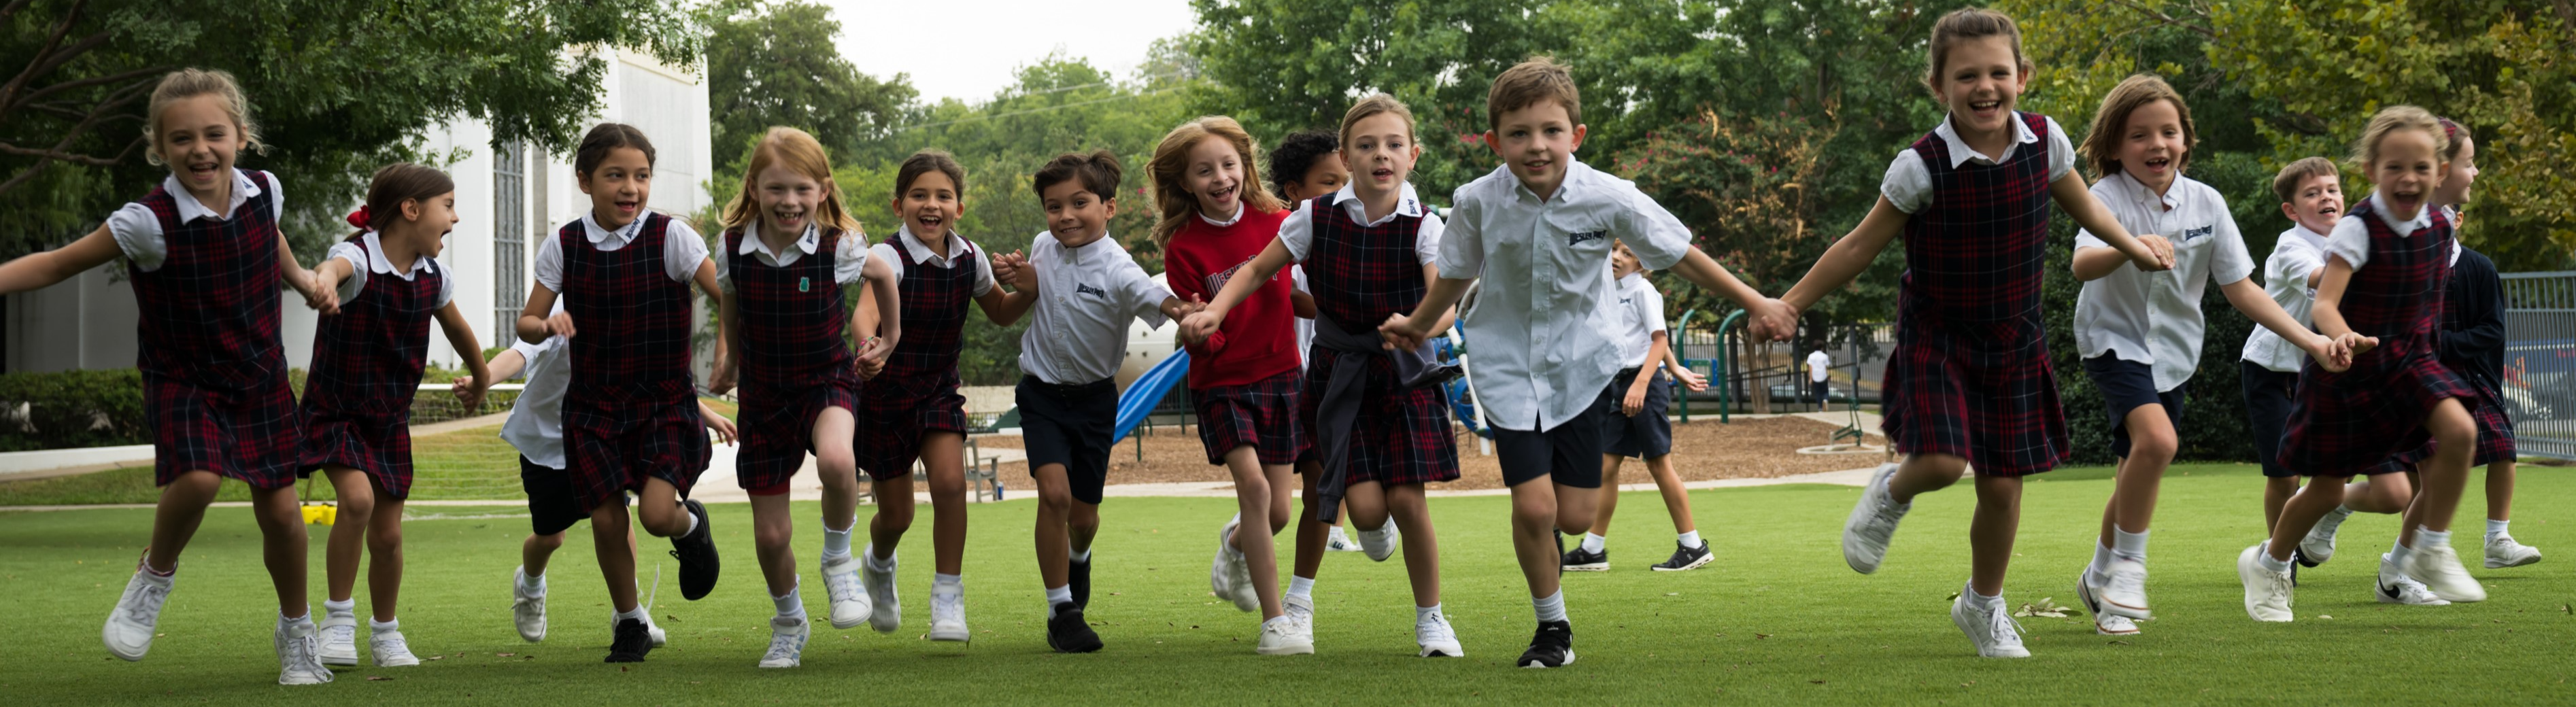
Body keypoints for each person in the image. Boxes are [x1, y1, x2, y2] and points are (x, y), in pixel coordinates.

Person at [1748, 9, 2175, 657]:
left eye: (1998, 72)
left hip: (2014, 339)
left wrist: (2131, 244)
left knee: (2003, 487)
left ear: (2023, 76)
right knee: (1945, 462)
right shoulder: (1919, 167)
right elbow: (1861, 245)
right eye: (1967, 75)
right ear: (1938, 86)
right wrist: (1790, 302)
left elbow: (2087, 204)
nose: (1985, 87)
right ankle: (1891, 492)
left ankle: (1983, 606)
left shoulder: (2045, 140)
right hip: (1938, 336)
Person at [1380, 57, 1784, 668]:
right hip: (1508, 367)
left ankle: (1557, 575)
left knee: (1574, 513)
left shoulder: (1608, 196)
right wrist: (1416, 324)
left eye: (1550, 131)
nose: (1536, 146)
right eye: (1518, 134)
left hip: (1583, 369)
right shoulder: (1478, 200)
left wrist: (1757, 301)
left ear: (1577, 136)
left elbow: (1680, 253)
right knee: (1534, 507)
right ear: (1495, 142)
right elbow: (1456, 276)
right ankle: (1553, 631)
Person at [0, 68, 343, 684]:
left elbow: (275, 241)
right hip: (183, 376)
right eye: (181, 139)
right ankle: (154, 576)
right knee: (201, 478)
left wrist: (304, 283)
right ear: (160, 147)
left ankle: (297, 632)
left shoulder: (266, 189)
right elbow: (56, 265)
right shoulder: (144, 222)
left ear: (241, 135)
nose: (200, 149)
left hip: (258, 374)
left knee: (286, 518)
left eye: (215, 134)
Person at [2063, 74, 2350, 634]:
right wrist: (2131, 248)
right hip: (2112, 341)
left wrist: (2314, 340)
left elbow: (2242, 289)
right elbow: (2083, 263)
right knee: (2159, 442)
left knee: (2134, 469)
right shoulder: (2106, 196)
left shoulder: (2208, 203)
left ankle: (2098, 580)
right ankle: (2128, 569)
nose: (2156, 144)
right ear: (2116, 145)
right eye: (2139, 135)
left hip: (2174, 355)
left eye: (2168, 132)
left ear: (2186, 141)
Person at [1184, 95, 1466, 658]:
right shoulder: (1315, 217)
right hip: (1341, 378)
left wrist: (1418, 324)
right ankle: (1364, 531)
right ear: (1346, 155)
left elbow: (1448, 299)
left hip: (1406, 374)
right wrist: (1215, 311)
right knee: (1364, 512)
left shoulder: (1427, 226)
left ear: (1413, 155)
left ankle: (1432, 619)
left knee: (1408, 502)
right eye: (1365, 146)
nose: (1379, 156)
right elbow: (1258, 269)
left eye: (1392, 146)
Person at [2239, 105, 2484, 622]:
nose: (2408, 178)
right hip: (2349, 372)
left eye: (2421, 167)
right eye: (2394, 167)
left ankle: (2431, 548)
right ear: (2371, 172)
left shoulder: (2441, 226)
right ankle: (2270, 562)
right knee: (2325, 488)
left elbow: (2427, 301)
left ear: (2439, 173)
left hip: (2410, 364)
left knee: (2460, 432)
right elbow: (2325, 302)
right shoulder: (2356, 230)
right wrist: (2340, 334)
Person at [513, 122, 729, 661]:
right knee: (607, 517)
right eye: (616, 176)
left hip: (662, 403)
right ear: (585, 181)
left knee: (656, 516)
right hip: (592, 407)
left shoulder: (671, 236)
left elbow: (729, 297)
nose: (630, 187)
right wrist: (548, 325)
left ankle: (691, 526)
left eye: (641, 176)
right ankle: (630, 621)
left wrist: (729, 355)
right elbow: (527, 321)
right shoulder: (564, 244)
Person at [705, 127, 903, 668]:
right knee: (771, 536)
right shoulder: (731, 246)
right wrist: (729, 361)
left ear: (822, 190)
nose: (789, 201)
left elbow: (885, 273)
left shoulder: (839, 245)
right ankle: (789, 623)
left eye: (801, 189)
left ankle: (838, 564)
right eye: (776, 189)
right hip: (765, 395)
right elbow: (731, 304)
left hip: (826, 380)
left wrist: (892, 339)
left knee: (839, 459)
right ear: (754, 188)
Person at [299, 164, 496, 667]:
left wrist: (482, 377)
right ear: (411, 210)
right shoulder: (358, 258)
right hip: (336, 412)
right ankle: (336, 622)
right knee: (358, 501)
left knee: (387, 536)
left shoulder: (434, 277)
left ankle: (386, 633)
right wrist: (321, 282)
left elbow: (457, 330)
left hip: (388, 421)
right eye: (447, 206)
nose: (455, 218)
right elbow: (331, 270)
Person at [851, 150, 1037, 642]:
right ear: (898, 204)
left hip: (937, 391)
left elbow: (1000, 311)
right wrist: (869, 346)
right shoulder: (888, 257)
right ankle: (878, 563)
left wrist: (1032, 290)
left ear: (959, 205)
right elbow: (864, 313)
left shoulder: (970, 257)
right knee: (897, 516)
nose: (931, 205)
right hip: (885, 397)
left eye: (943, 196)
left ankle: (948, 598)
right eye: (919, 195)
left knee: (952, 485)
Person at [1562, 241, 1713, 573]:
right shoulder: (1610, 290)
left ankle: (1692, 545)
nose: (1616, 256)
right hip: (1621, 386)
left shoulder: (1644, 291)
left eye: (1627, 253)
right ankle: (1593, 550)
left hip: (1644, 385)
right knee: (1605, 467)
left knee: (1659, 465)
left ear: (1643, 262)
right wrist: (1674, 368)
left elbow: (1659, 339)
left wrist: (1646, 382)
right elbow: (1648, 337)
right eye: (1615, 249)